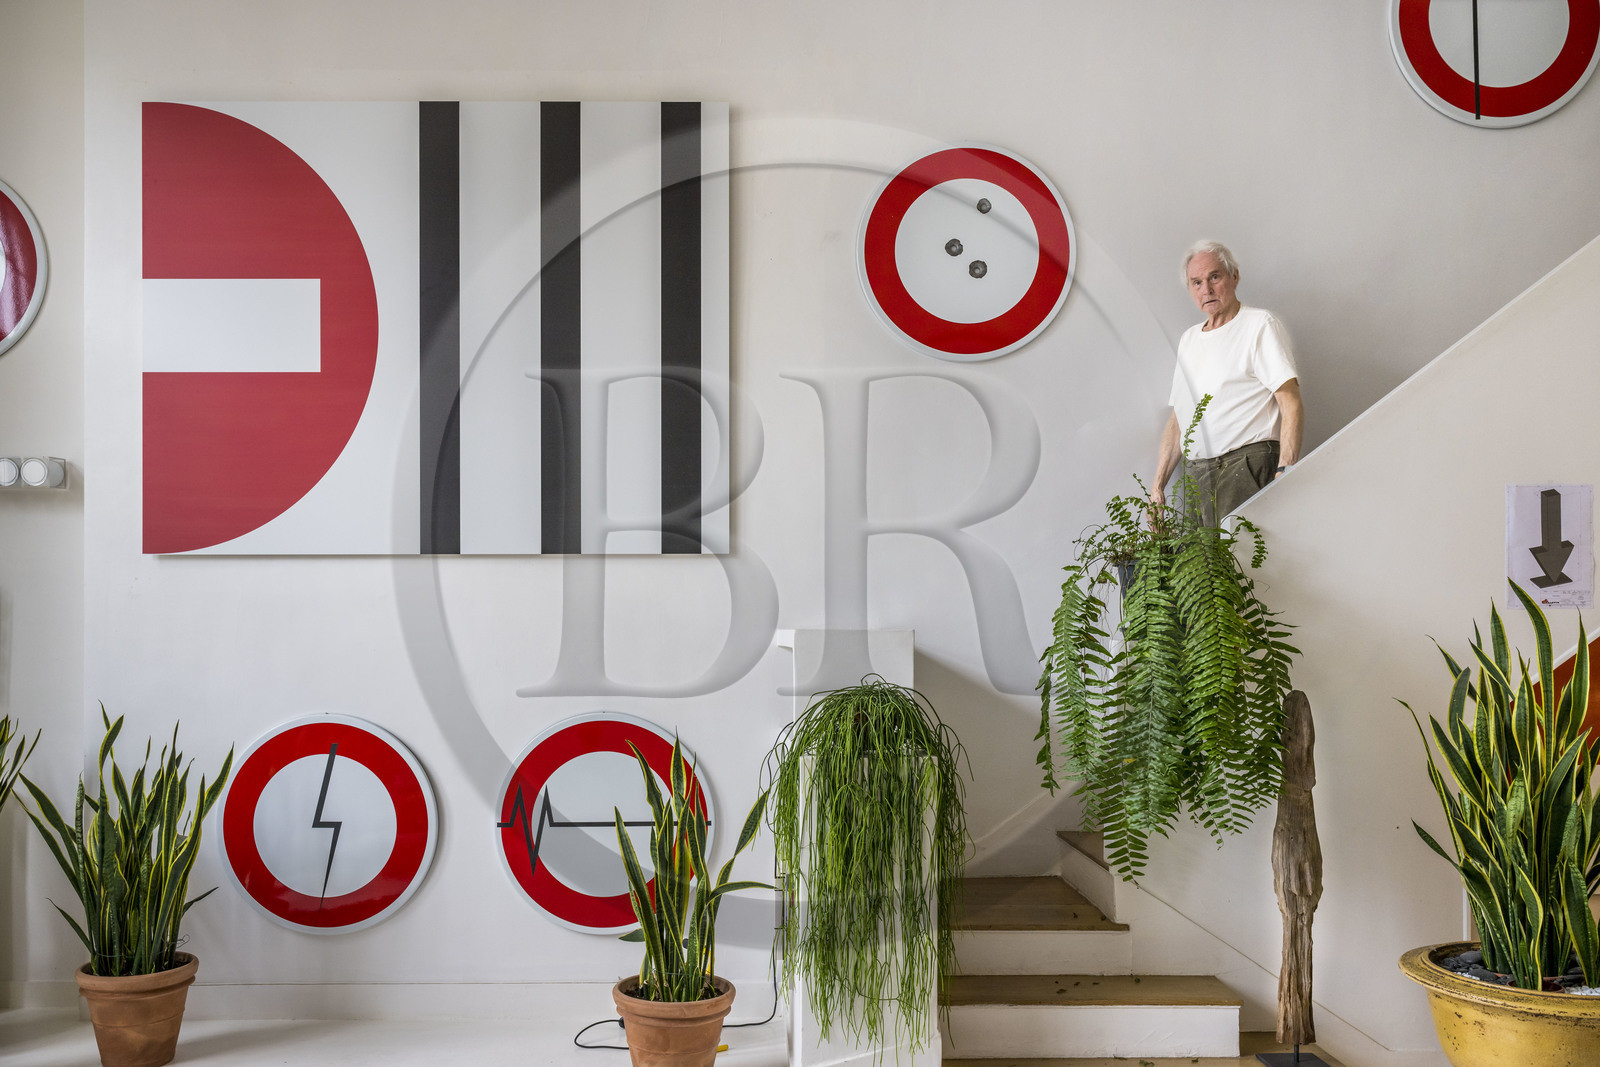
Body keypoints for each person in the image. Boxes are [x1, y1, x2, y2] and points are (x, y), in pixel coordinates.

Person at [1151, 240, 1302, 526]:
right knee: (1206, 571)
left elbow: (1290, 399)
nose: (1205, 289)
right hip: (1197, 478)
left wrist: (1286, 469)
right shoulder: (1189, 340)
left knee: (1248, 566)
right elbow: (1179, 418)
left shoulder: (1259, 325)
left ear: (1234, 276)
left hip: (1246, 468)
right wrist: (1157, 487)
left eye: (1214, 277)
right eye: (1196, 282)